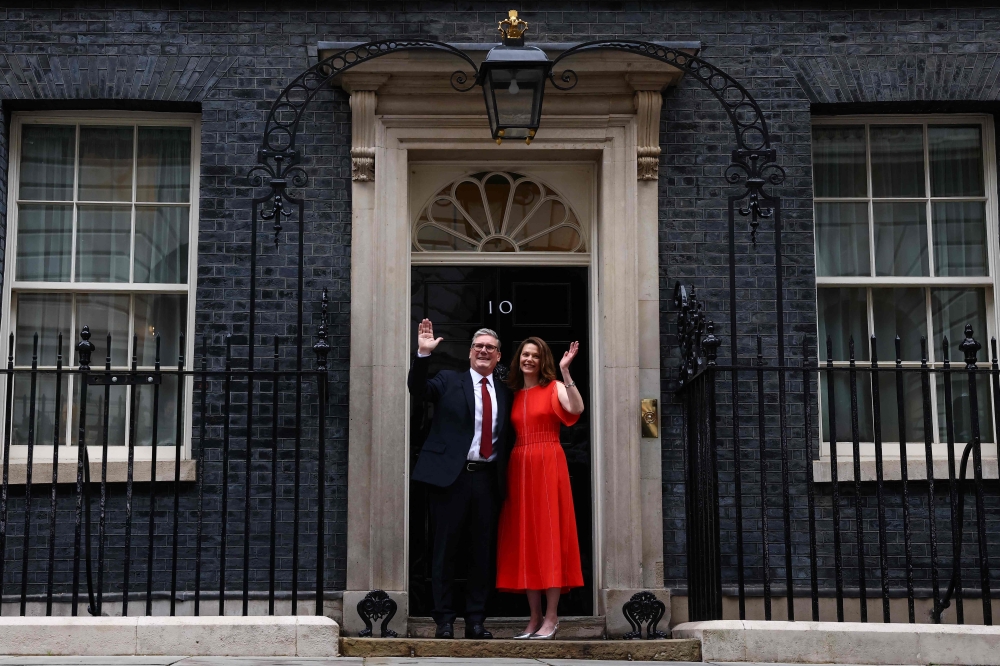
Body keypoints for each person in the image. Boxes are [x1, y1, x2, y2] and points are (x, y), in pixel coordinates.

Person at [408, 319, 513, 640]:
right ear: (470, 353)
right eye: (478, 346)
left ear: (498, 356)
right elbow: (418, 389)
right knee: (444, 551)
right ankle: (443, 620)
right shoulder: (448, 380)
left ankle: (476, 620)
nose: (483, 351)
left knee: (481, 553)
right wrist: (423, 355)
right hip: (449, 480)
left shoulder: (508, 392)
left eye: (490, 348)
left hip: (486, 481)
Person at [496, 336, 585, 640]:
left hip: (548, 462)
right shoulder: (513, 394)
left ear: (542, 360)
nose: (529, 359)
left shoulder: (554, 387)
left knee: (549, 537)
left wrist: (566, 371)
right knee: (527, 540)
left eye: (535, 355)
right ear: (518, 359)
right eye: (524, 354)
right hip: (520, 465)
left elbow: (577, 408)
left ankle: (551, 616)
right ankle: (533, 618)